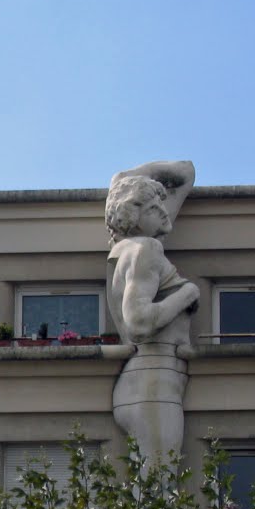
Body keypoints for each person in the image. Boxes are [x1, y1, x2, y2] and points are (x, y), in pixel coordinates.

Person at [106, 161, 199, 468]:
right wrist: (187, 293)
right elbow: (140, 322)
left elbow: (185, 173)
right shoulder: (146, 249)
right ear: (132, 217)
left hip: (148, 380)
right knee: (159, 491)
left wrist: (123, 181)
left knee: (154, 483)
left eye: (161, 203)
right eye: (151, 208)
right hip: (154, 378)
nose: (162, 210)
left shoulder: (130, 247)